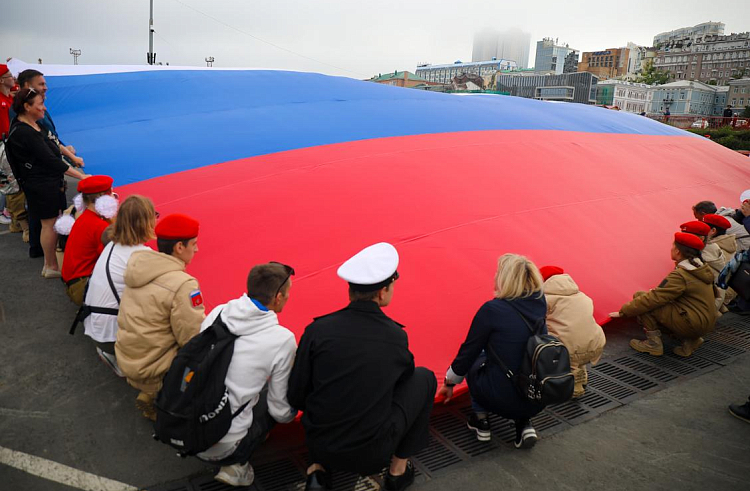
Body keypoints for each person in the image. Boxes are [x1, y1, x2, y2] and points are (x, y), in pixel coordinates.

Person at [288, 243, 436, 491]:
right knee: (425, 377)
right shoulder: (394, 337)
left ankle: (317, 471)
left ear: (350, 292)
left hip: (321, 444)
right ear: (382, 293)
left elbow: (296, 395)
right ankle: (397, 472)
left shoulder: (317, 331)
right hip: (372, 453)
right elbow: (404, 382)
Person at [197, 262, 298, 487]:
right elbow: (279, 411)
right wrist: (294, 410)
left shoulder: (218, 312)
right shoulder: (282, 339)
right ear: (278, 297)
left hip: (186, 421)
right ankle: (237, 462)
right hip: (221, 444)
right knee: (276, 396)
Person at [437, 254, 547, 449]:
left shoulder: (492, 310)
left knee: (476, 358)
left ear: (505, 279)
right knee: (521, 358)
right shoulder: (540, 303)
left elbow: (468, 352)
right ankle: (524, 424)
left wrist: (450, 382)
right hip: (537, 395)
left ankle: (481, 419)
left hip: (500, 396)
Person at [115, 213, 204, 421]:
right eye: (194, 243)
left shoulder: (139, 266)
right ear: (179, 247)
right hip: (153, 367)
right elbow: (191, 338)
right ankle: (166, 399)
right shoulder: (183, 284)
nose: (197, 249)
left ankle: (153, 391)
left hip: (128, 355)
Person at [4, 88, 84, 277]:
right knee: (48, 224)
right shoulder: (24, 132)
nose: (43, 108)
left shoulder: (37, 125)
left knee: (53, 221)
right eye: (40, 105)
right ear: (26, 107)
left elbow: (55, 143)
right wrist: (81, 176)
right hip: (40, 185)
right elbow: (50, 160)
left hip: (49, 183)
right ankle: (50, 265)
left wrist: (72, 156)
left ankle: (51, 262)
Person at [83, 195, 156, 377]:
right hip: (111, 336)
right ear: (145, 222)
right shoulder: (141, 255)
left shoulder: (112, 245)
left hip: (94, 323)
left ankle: (115, 352)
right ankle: (125, 361)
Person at [611, 233, 716, 357]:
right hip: (705, 321)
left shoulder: (681, 274)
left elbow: (653, 299)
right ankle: (690, 340)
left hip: (693, 323)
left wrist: (624, 312)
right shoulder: (699, 268)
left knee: (642, 299)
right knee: (655, 300)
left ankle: (653, 344)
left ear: (677, 251)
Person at [538, 266, 605, 398]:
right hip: (595, 344)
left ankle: (575, 385)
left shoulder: (545, 299)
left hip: (568, 350)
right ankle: (581, 373)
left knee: (547, 336)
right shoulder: (582, 296)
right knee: (578, 340)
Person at [61, 175, 116, 305]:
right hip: (83, 287)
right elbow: (112, 259)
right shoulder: (99, 226)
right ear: (104, 198)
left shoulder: (85, 218)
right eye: (111, 193)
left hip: (73, 281)